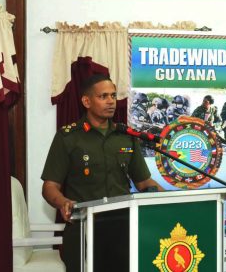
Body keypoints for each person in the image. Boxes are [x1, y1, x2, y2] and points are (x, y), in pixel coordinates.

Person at [41, 74, 163, 272]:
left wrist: (171, 200)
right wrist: (62, 202)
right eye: (103, 96)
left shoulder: (126, 137)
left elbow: (143, 182)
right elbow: (50, 186)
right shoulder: (68, 137)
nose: (110, 101)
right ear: (86, 101)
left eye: (113, 96)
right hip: (83, 231)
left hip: (123, 230)